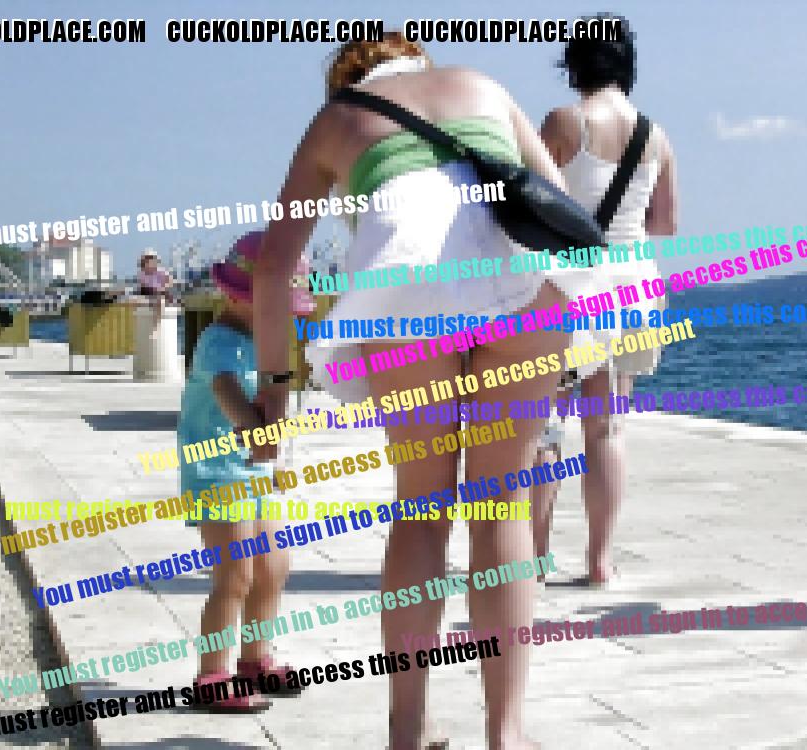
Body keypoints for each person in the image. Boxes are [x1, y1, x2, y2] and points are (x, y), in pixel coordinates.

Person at [249, 33, 616, 750]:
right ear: (419, 61)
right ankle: (505, 733)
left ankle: (407, 729)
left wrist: (275, 389)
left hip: (404, 293)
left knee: (421, 510)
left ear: (349, 78)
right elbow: (564, 208)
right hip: (523, 287)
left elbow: (274, 268)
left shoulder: (337, 118)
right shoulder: (482, 84)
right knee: (500, 504)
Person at [531, 17, 679, 585]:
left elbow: (531, 205)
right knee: (608, 429)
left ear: (574, 64)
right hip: (635, 287)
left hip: (573, 288)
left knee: (547, 426)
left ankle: (535, 559)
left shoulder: (565, 122)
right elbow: (665, 224)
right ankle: (600, 560)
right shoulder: (656, 136)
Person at [179, 231, 311, 712]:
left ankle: (255, 659)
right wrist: (256, 431)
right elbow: (228, 394)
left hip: (255, 474)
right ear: (238, 296)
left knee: (273, 567)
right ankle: (213, 674)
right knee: (235, 575)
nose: (284, 319)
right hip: (217, 472)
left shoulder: (263, 342)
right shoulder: (218, 342)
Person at [137, 250, 173, 316]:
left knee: (160, 300)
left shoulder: (161, 272)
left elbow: (170, 282)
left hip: (162, 295)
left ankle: (158, 320)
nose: (148, 263)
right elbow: (143, 290)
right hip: (151, 296)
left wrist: (164, 289)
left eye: (150, 260)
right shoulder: (143, 275)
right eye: (146, 261)